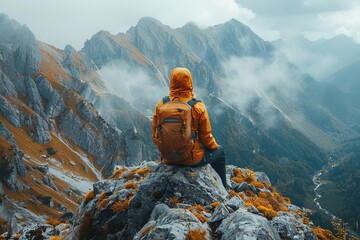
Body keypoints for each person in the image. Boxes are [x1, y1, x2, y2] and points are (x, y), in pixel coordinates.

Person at [152, 67, 227, 188]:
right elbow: (206, 138)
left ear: (171, 82)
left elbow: (155, 133)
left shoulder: (161, 104)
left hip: (167, 158)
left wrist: (167, 151)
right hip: (192, 159)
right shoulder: (197, 106)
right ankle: (223, 188)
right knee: (220, 152)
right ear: (190, 83)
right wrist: (214, 147)